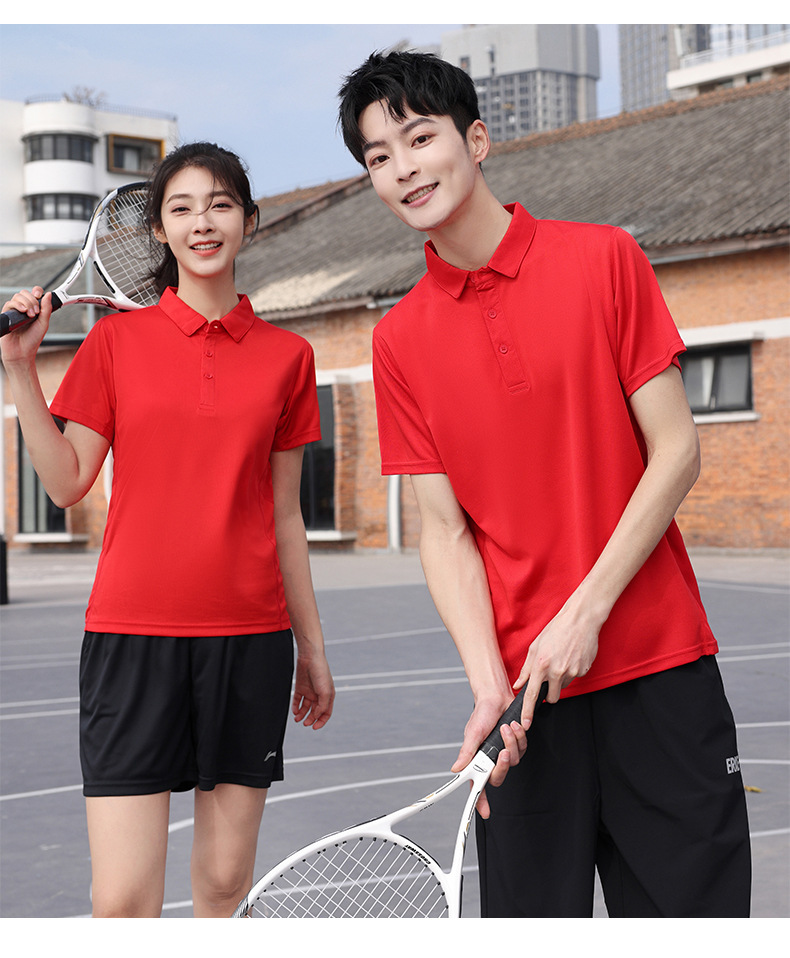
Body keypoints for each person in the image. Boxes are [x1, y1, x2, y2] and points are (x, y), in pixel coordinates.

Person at [337, 50, 751, 917]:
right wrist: (487, 685)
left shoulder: (604, 259)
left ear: (477, 140)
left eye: (420, 138)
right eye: (379, 155)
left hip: (660, 673)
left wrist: (584, 612)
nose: (403, 167)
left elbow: (676, 450)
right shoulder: (398, 340)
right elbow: (444, 531)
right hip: (527, 711)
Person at [1, 142, 335, 917]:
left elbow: (286, 515)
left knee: (222, 884)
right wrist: (19, 369)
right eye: (181, 209)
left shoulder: (289, 358)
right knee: (122, 901)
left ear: (249, 220)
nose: (202, 223)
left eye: (220, 205)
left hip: (249, 643)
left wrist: (312, 649)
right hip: (131, 640)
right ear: (158, 229)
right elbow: (66, 482)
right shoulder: (114, 344)